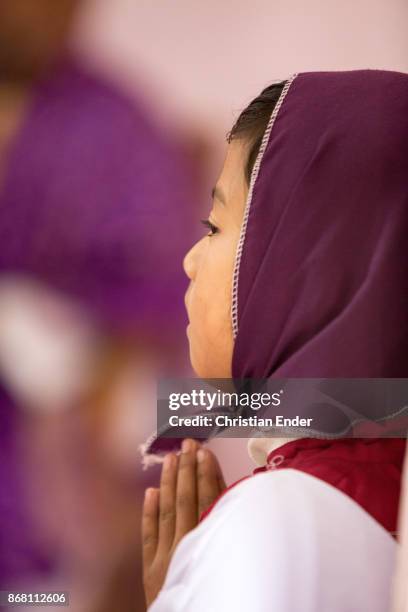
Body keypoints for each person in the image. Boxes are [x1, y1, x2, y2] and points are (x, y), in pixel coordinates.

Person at [142, 70, 408, 611]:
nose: (191, 260)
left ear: (304, 260)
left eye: (214, 226)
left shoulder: (275, 521)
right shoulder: (372, 491)